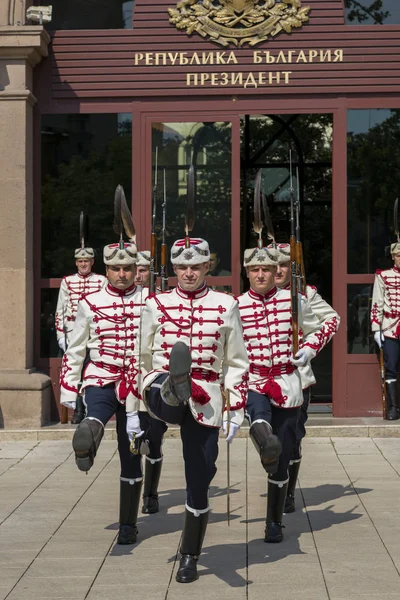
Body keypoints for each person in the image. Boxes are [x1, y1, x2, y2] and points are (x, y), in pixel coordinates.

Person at [139, 237, 249, 583]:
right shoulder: (155, 304)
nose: (189, 272)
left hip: (208, 393)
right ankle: (174, 386)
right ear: (173, 269)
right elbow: (141, 357)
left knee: (200, 476)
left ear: (206, 268)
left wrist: (235, 410)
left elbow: (236, 362)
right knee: (163, 389)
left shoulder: (226, 304)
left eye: (196, 266)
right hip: (158, 382)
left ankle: (190, 555)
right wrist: (134, 404)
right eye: (182, 267)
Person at [237, 245, 328, 543]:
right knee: (261, 424)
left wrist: (309, 348)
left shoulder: (294, 301)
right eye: (255, 270)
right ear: (247, 272)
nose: (262, 274)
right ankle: (264, 439)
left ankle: (273, 522)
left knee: (285, 453)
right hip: (253, 382)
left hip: (288, 384)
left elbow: (324, 327)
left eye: (266, 269)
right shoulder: (234, 307)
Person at [60, 237, 147, 545]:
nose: (122, 274)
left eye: (127, 268)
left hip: (138, 386)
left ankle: (128, 524)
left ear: (136, 269)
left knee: (132, 452)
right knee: (96, 412)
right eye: (115, 268)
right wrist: (70, 391)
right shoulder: (90, 302)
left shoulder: (151, 300)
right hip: (102, 375)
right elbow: (76, 348)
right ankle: (87, 439)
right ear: (106, 270)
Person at [273, 242, 340, 513]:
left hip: (297, 377)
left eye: (283, 264)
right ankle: (276, 479)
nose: (277, 270)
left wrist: (310, 348)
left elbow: (332, 319)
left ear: (293, 267)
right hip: (263, 379)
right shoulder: (251, 297)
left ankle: (287, 491)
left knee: (293, 437)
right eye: (273, 264)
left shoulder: (306, 295)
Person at [134, 249, 169, 515]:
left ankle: (151, 493)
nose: (136, 274)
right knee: (133, 437)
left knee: (155, 436)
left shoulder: (160, 300)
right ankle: (134, 486)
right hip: (126, 380)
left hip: (151, 377)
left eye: (142, 270)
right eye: (133, 269)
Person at [55, 244, 106, 424]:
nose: (83, 264)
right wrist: (61, 335)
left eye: (86, 261)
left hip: (93, 332)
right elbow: (60, 309)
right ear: (76, 263)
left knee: (90, 370)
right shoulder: (67, 281)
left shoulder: (101, 280)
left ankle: (91, 407)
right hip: (72, 332)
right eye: (80, 261)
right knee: (73, 371)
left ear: (92, 262)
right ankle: (78, 409)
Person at [371, 242, 400, 420]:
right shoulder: (384, 276)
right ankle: (394, 408)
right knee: (391, 367)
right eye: (398, 255)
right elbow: (377, 303)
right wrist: (376, 328)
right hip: (390, 327)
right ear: (393, 257)